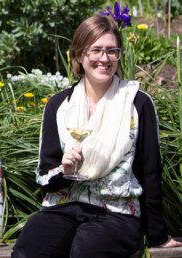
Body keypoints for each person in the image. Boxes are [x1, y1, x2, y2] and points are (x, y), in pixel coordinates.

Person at [12, 15, 182, 258]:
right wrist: (65, 170)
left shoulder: (137, 103)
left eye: (112, 51)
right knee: (28, 251)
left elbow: (150, 173)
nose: (105, 59)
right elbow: (44, 175)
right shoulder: (59, 105)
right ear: (80, 55)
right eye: (96, 51)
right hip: (63, 208)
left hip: (116, 212)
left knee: (86, 252)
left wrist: (158, 235)